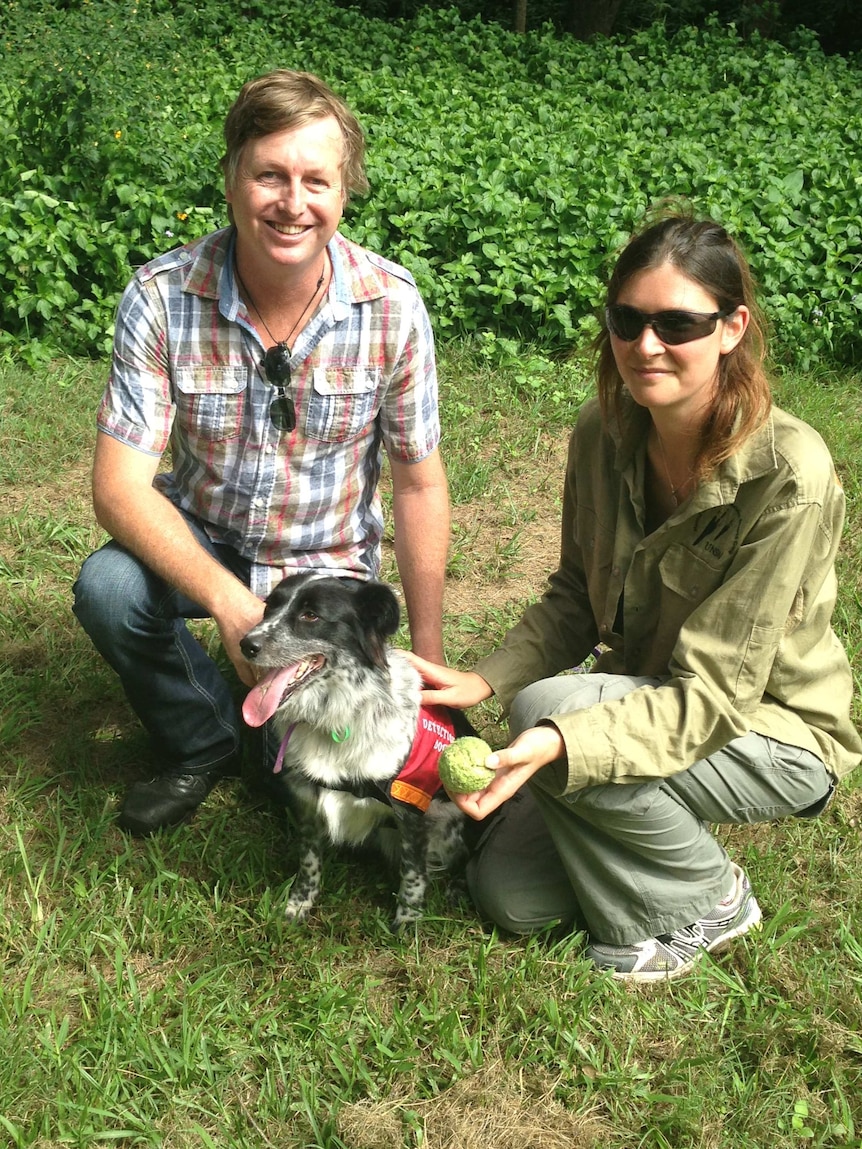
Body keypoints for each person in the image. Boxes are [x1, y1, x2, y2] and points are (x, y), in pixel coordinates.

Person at [410, 211, 862, 982]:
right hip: (653, 696)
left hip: (772, 729)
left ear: (731, 327)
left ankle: (711, 897)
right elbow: (573, 595)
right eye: (628, 319)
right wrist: (485, 677)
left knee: (552, 716)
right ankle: (634, 820)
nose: (646, 345)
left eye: (678, 323)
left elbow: (717, 695)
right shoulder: (602, 431)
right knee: (510, 897)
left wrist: (563, 740)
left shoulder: (791, 474)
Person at [73, 69, 450, 836]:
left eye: (317, 179)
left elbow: (417, 485)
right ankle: (203, 735)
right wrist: (228, 599)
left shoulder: (391, 306)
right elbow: (119, 488)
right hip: (205, 532)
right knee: (109, 588)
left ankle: (269, 730)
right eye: (269, 174)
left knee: (318, 806)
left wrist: (429, 669)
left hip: (326, 561)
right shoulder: (161, 297)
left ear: (345, 192)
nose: (292, 201)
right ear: (232, 178)